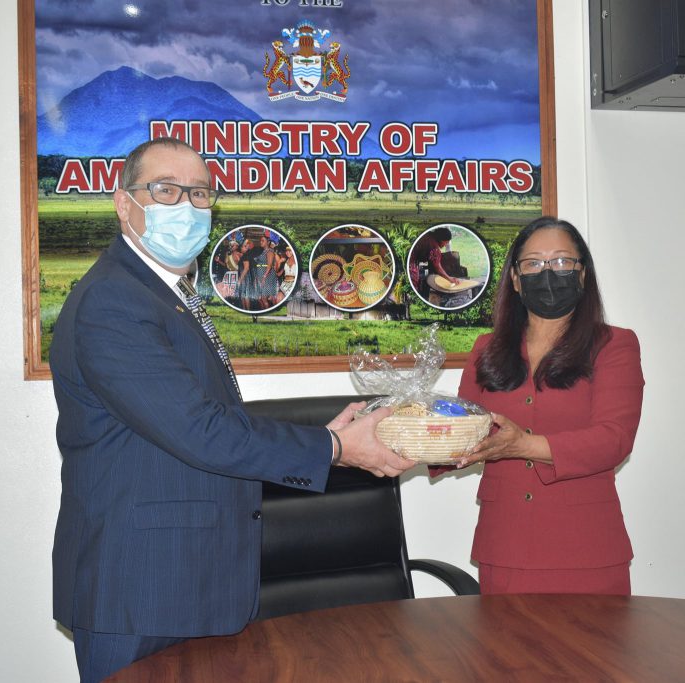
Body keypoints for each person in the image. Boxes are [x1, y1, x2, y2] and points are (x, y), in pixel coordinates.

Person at [49, 137, 414, 682]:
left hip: (187, 583)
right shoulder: (115, 301)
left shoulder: (164, 292)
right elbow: (200, 431)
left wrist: (327, 433)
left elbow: (208, 417)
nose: (186, 207)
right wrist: (336, 449)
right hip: (141, 589)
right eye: (165, 190)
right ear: (125, 204)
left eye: (199, 194)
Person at [446, 216, 644, 596]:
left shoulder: (614, 345)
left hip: (586, 550)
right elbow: (462, 430)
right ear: (516, 280)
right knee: (504, 657)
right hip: (503, 547)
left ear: (582, 274)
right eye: (534, 263)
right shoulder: (486, 349)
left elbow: (614, 439)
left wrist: (524, 445)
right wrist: (409, 433)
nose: (548, 272)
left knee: (593, 658)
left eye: (562, 261)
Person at [408, 226, 459, 294]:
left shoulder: (427, 235)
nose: (446, 244)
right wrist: (450, 279)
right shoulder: (434, 247)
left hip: (410, 258)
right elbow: (438, 268)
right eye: (446, 242)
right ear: (441, 240)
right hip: (409, 264)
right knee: (412, 287)